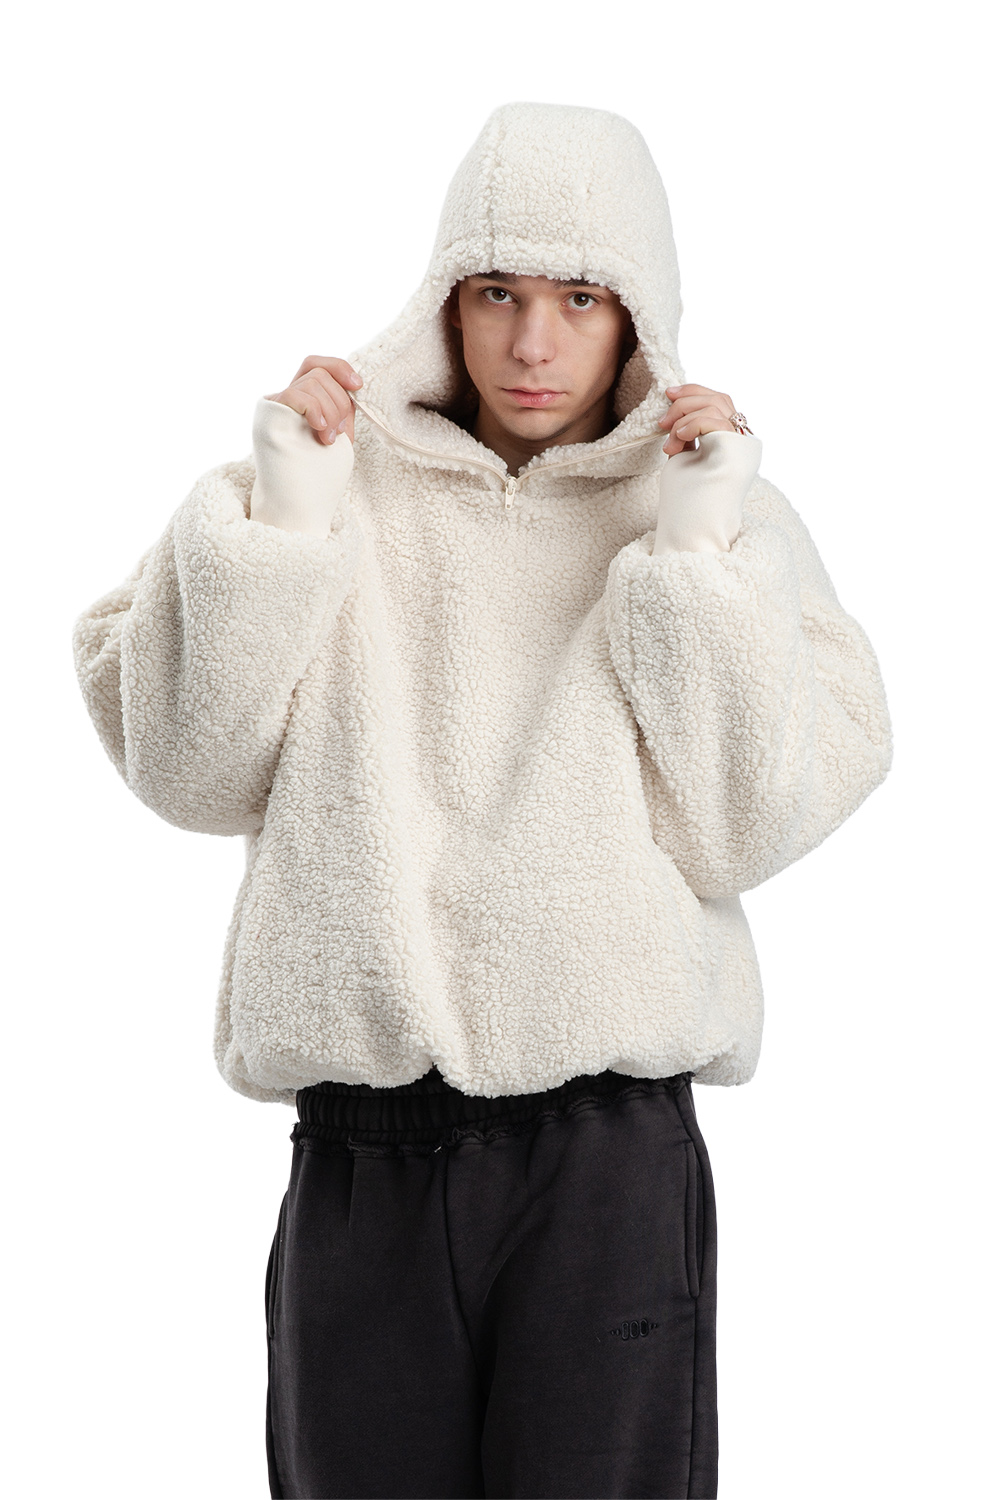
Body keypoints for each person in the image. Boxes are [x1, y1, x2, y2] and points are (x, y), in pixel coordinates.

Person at [72, 101, 893, 1500]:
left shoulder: (713, 516)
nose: (532, 345)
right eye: (498, 293)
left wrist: (695, 559)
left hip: (604, 1158)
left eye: (581, 299)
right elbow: (185, 770)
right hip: (362, 1147)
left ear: (639, 315)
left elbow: (747, 823)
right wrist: (285, 519)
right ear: (443, 300)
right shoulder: (330, 481)